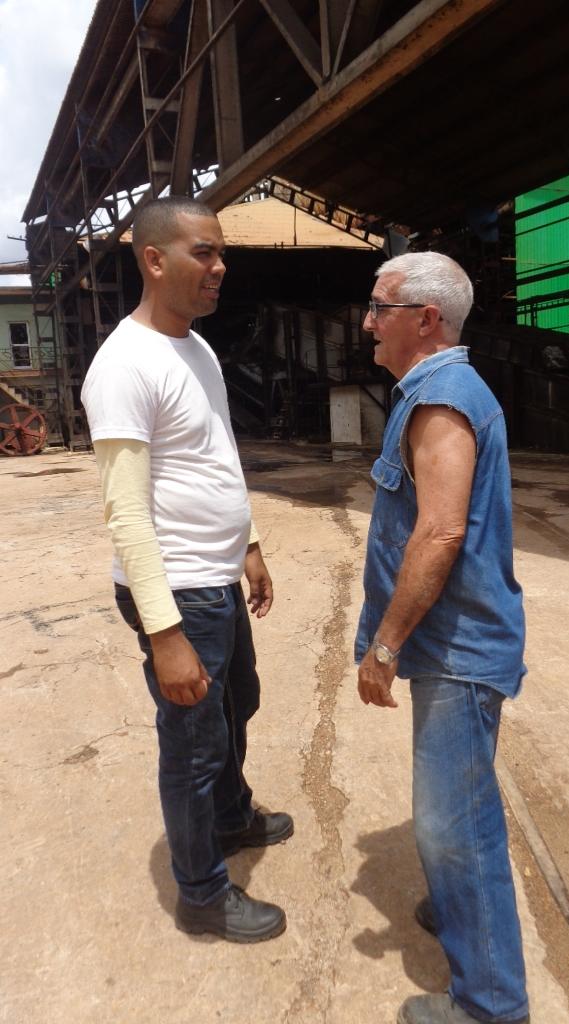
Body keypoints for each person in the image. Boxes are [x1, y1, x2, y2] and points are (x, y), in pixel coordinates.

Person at [81, 196, 293, 944]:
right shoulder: (124, 366)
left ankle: (231, 821)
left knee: (240, 704)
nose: (220, 266)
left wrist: (251, 542)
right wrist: (165, 632)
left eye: (220, 251)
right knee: (194, 746)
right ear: (154, 259)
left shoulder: (194, 348)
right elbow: (127, 512)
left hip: (218, 578)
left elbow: (217, 456)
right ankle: (201, 894)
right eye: (204, 252)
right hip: (178, 593)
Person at [355, 252, 529, 1024]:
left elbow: (439, 533)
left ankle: (491, 1006)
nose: (367, 321)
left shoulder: (442, 399)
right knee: (455, 811)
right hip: (457, 648)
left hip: (457, 652)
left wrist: (385, 645)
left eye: (378, 306)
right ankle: (460, 912)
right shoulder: (435, 391)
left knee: (456, 826)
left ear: (425, 320)